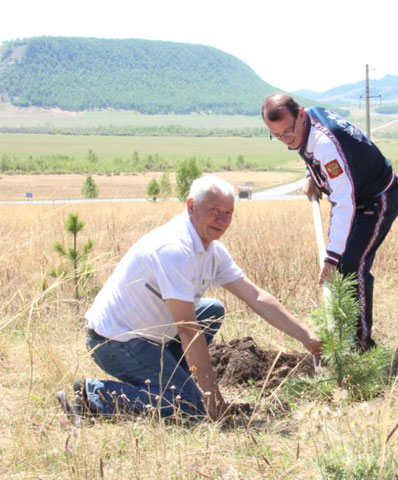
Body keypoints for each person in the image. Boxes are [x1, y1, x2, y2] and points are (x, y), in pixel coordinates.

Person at [57, 176, 321, 421]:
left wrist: (307, 337)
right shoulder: (175, 249)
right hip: (115, 340)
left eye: (228, 213)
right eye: (214, 211)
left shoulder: (212, 251)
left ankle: (174, 381)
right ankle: (94, 395)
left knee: (211, 310)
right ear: (191, 206)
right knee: (191, 407)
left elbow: (255, 296)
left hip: (151, 333)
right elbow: (187, 329)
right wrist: (211, 396)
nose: (221, 220)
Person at [261, 94, 398, 351]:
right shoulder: (308, 124)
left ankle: (361, 350)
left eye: (288, 131)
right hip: (355, 196)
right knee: (346, 264)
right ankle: (346, 340)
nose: (286, 139)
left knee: (351, 266)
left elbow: (343, 202)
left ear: (301, 114)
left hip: (378, 197)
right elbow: (317, 156)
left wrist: (331, 257)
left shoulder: (326, 143)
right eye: (277, 135)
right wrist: (312, 175)